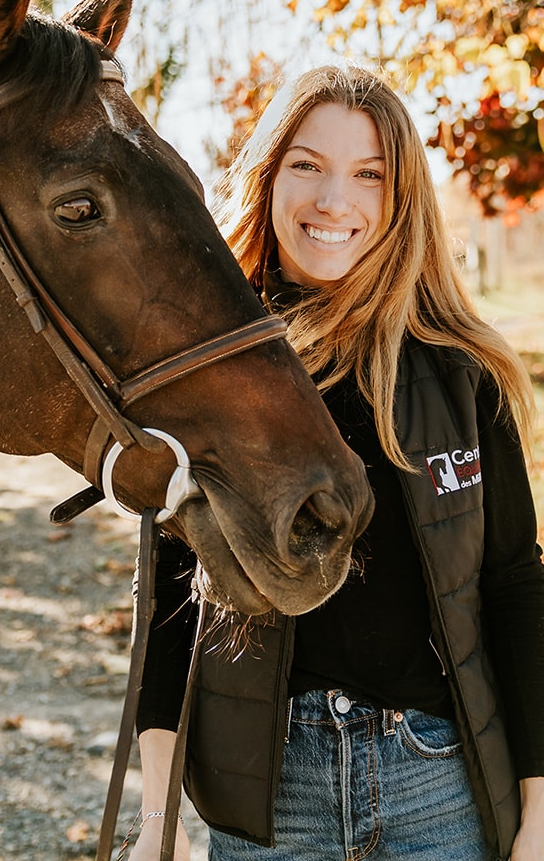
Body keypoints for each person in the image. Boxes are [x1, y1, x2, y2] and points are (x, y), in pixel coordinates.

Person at [129, 64, 544, 861]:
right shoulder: (205, 375)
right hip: (270, 793)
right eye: (308, 166)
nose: (333, 201)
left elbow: (515, 589)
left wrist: (539, 809)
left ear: (401, 200)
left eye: (368, 175)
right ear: (270, 176)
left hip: (439, 788)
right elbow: (172, 596)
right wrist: (157, 824)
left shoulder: (462, 377)